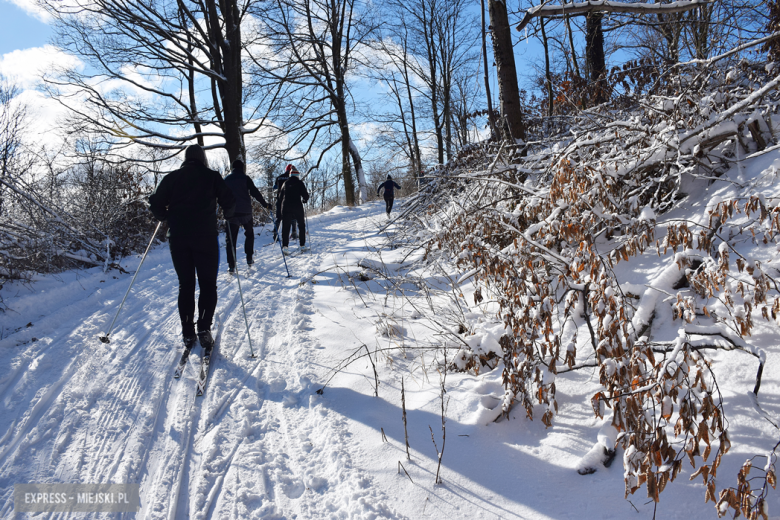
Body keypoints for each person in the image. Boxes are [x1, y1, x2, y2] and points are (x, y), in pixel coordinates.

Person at [149, 144, 236, 349]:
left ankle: (188, 332)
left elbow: (154, 203)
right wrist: (229, 216)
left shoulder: (172, 178)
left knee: (185, 284)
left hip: (178, 238)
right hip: (205, 237)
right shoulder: (212, 176)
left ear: (186, 158)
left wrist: (166, 216)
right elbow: (229, 200)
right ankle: (204, 328)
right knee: (207, 284)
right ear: (202, 159)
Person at [224, 158, 271, 273]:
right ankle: (249, 258)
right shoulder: (246, 178)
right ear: (242, 168)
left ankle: (231, 265)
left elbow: (221, 195)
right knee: (249, 234)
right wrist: (265, 205)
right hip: (246, 212)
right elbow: (255, 193)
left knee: (231, 239)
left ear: (232, 168)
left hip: (232, 214)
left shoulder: (226, 179)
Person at [279, 165, 309, 254]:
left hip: (286, 206)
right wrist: (304, 200)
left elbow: (280, 197)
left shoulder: (285, 183)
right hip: (297, 206)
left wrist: (280, 210)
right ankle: (302, 245)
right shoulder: (300, 183)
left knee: (286, 227)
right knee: (301, 225)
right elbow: (306, 196)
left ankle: (285, 247)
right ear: (297, 175)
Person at [272, 165, 298, 242]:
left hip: (280, 200)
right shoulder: (293, 178)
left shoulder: (279, 177)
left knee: (279, 218)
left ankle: (275, 234)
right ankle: (294, 233)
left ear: (285, 170)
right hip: (290, 200)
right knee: (293, 217)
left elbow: (275, 187)